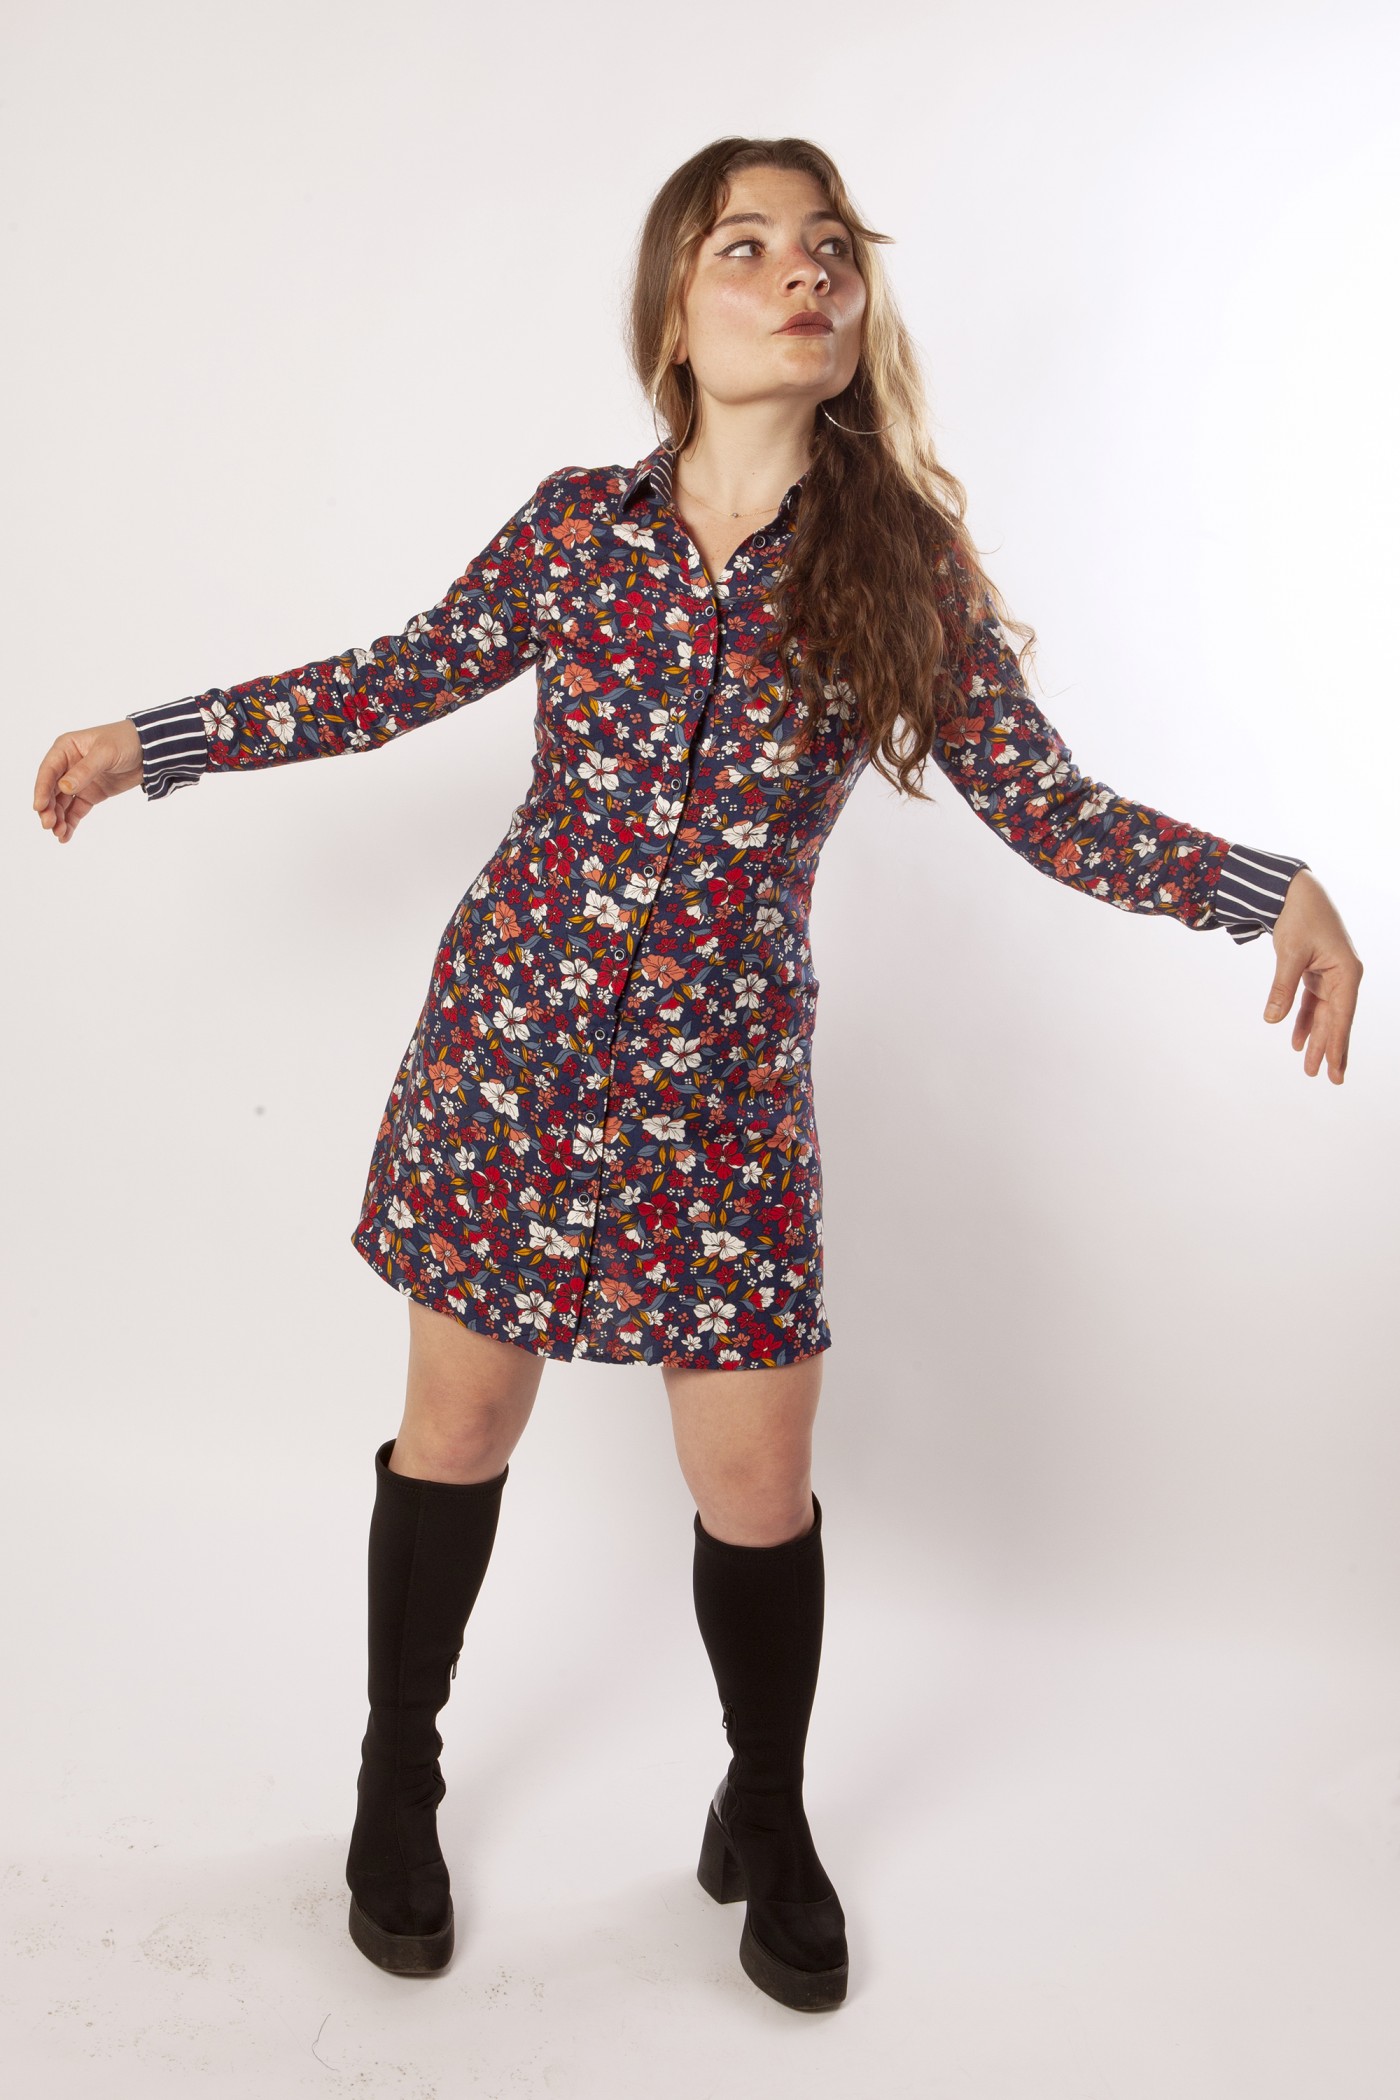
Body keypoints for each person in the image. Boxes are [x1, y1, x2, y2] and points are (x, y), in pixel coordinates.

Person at [30, 136, 1363, 2016]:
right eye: (747, 247)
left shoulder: (899, 566)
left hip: (721, 1095)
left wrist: (1264, 888)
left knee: (757, 1484)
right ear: (675, 310)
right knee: (457, 1437)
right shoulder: (577, 530)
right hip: (512, 1057)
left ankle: (765, 1808)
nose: (801, 273)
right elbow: (389, 679)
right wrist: (153, 742)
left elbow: (1046, 806)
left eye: (828, 249)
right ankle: (396, 1780)